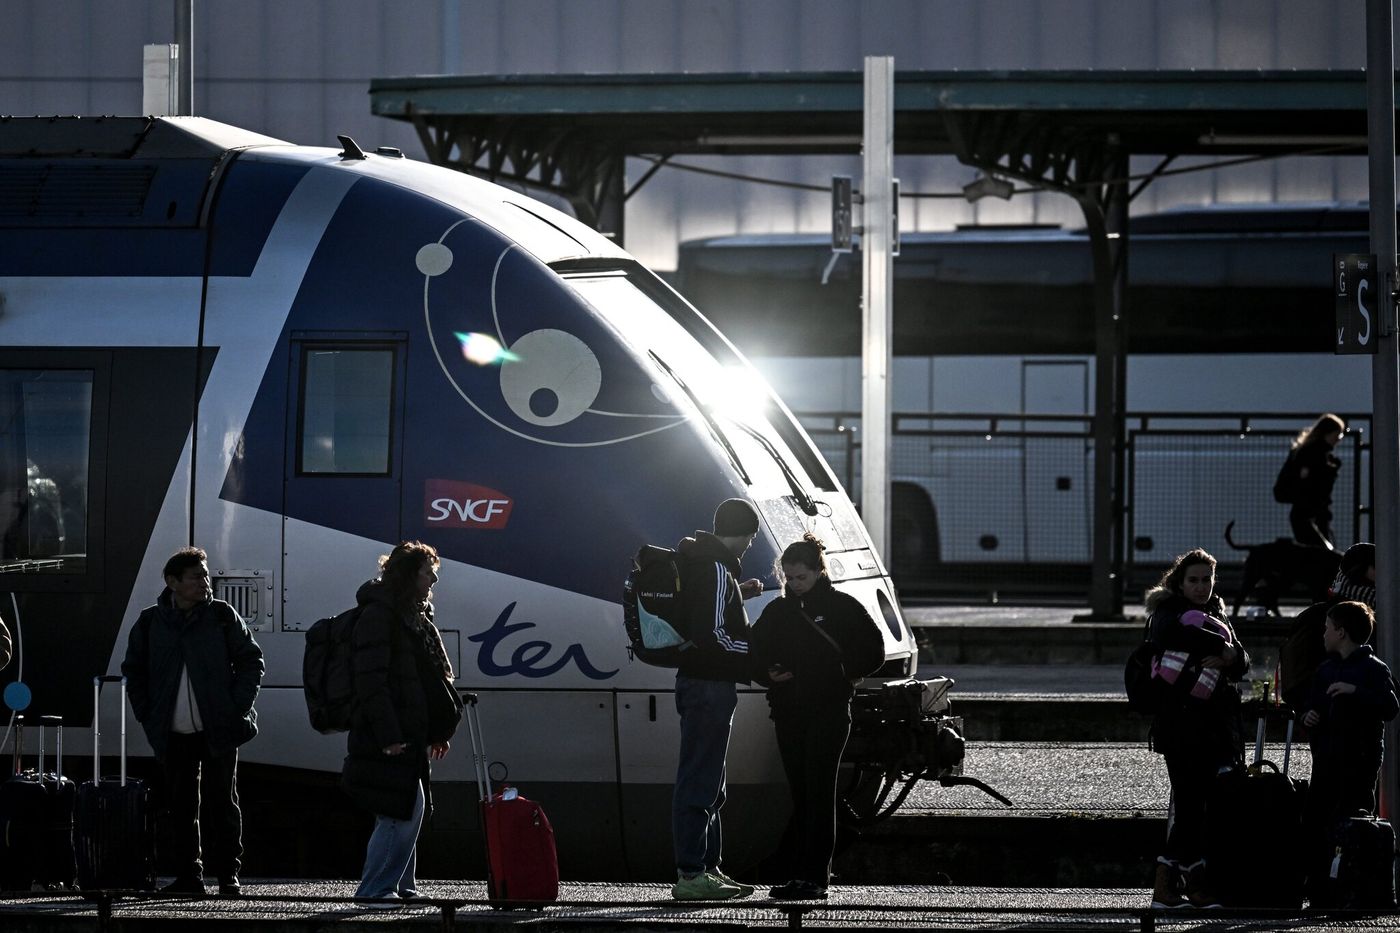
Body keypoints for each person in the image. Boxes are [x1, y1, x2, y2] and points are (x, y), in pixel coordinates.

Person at [121, 546, 264, 897]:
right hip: (172, 733)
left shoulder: (221, 615)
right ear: (173, 582)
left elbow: (251, 661)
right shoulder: (150, 622)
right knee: (181, 807)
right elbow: (134, 672)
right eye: (196, 577)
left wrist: (236, 708)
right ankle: (189, 877)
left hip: (219, 728)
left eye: (205, 575)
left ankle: (228, 876)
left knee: (222, 803)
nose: (205, 582)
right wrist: (147, 715)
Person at [749, 533, 884, 901]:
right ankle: (804, 875)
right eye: (789, 578)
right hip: (789, 711)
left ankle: (814, 876)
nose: (794, 584)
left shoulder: (842, 607)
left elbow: (874, 652)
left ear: (818, 571)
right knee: (803, 793)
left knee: (818, 793)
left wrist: (835, 672)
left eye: (801, 577)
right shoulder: (778, 611)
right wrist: (766, 674)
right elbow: (754, 651)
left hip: (828, 711)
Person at [340, 541, 461, 909]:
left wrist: (436, 730)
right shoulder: (381, 616)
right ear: (409, 575)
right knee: (398, 811)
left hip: (409, 731)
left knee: (409, 808)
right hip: (389, 734)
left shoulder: (411, 616)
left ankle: (402, 886)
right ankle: (375, 889)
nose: (433, 580)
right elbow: (371, 681)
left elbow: (425, 681)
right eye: (427, 573)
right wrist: (389, 735)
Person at [669, 498, 764, 901]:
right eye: (750, 538)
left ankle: (710, 868)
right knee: (700, 780)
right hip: (709, 685)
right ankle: (692, 873)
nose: (749, 545)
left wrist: (739, 594)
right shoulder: (716, 568)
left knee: (711, 781)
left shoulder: (699, 563)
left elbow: (703, 614)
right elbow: (712, 636)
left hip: (697, 683)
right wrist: (757, 655)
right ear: (744, 535)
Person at [1143, 548, 1248, 909]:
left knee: (1198, 807)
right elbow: (1174, 638)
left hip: (1213, 726)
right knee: (1189, 806)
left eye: (1207, 580)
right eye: (1194, 580)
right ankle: (1168, 884)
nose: (1202, 587)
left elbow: (1242, 660)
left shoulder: (1217, 611)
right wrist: (1225, 649)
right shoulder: (1167, 611)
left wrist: (1232, 656)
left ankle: (1188, 884)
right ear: (1180, 582)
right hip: (1180, 724)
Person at [1300, 600, 1399, 904]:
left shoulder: (1373, 669)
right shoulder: (1326, 669)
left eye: (1327, 628)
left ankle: (1351, 886)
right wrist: (1309, 715)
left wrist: (1355, 691)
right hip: (1327, 758)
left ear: (1341, 632)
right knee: (1318, 819)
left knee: (1352, 818)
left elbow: (1390, 706)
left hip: (1359, 760)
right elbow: (1313, 705)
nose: (1324, 634)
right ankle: (1320, 888)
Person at [1280, 541, 1375, 712]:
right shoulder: (1321, 618)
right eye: (1376, 568)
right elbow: (1299, 681)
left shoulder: (1318, 614)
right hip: (1328, 714)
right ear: (1362, 571)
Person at [1276, 413, 1345, 548]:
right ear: (1328, 433)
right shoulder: (1316, 455)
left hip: (1306, 514)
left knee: (1316, 552)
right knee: (1322, 552)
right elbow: (1316, 488)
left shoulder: (1308, 452)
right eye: (1337, 435)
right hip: (1311, 515)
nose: (1338, 439)